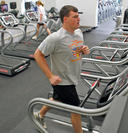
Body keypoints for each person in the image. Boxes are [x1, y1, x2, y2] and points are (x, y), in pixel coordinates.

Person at [34, 5, 90, 133]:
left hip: (73, 76)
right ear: (65, 19)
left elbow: (74, 51)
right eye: (75, 17)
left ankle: (39, 115)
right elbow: (38, 55)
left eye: (78, 16)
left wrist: (83, 50)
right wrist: (50, 76)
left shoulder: (78, 33)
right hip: (62, 80)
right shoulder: (56, 38)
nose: (79, 19)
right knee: (76, 109)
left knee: (57, 99)